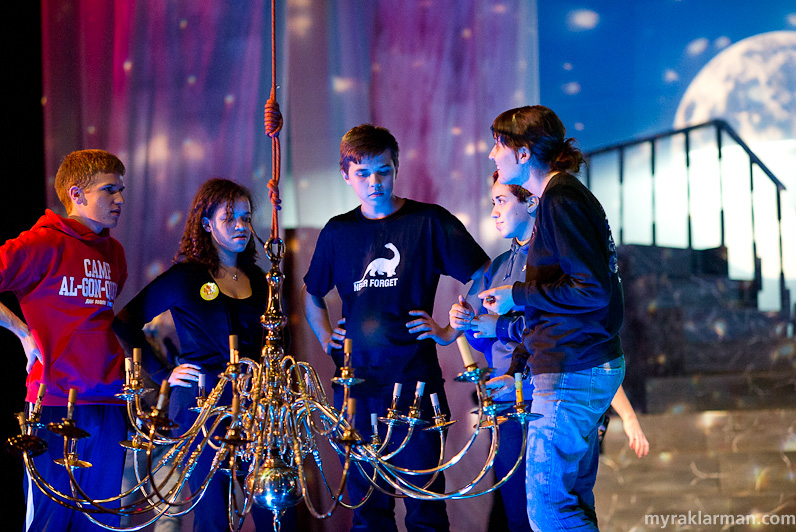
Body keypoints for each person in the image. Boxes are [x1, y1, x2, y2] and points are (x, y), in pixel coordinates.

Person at [302, 124, 489, 532]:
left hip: (415, 383)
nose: (375, 183)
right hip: (355, 389)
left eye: (383, 171)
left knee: (424, 505)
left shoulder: (429, 222)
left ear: (396, 167)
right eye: (363, 173)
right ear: (346, 176)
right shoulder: (337, 232)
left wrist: (449, 330)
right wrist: (325, 335)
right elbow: (312, 295)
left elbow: (483, 274)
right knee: (368, 509)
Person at [445, 173, 648, 531]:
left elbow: (564, 330)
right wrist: (467, 324)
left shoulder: (551, 259)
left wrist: (503, 332)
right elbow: (489, 342)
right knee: (528, 513)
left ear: (532, 201)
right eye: (492, 201)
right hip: (512, 400)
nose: (493, 211)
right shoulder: (496, 267)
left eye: (502, 200)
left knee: (550, 510)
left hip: (549, 391)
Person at [475, 105, 626, 531]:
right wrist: (522, 364)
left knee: (547, 511)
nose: (491, 155)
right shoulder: (561, 198)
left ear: (523, 154)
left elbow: (592, 289)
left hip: (573, 372)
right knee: (568, 503)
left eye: (499, 145)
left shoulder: (560, 199)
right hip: (573, 366)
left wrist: (517, 296)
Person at [113, 178, 289, 532]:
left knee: (276, 504)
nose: (241, 226)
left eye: (245, 217)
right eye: (230, 218)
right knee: (213, 513)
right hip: (203, 404)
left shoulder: (259, 275)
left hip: (257, 402)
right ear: (207, 224)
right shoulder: (185, 276)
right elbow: (124, 323)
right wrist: (163, 373)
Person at [0, 149, 128, 531]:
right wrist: (21, 330)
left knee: (102, 523)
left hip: (109, 405)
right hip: (55, 403)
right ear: (76, 194)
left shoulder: (115, 253)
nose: (120, 200)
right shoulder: (40, 243)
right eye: (110, 190)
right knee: (50, 522)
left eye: (122, 190)